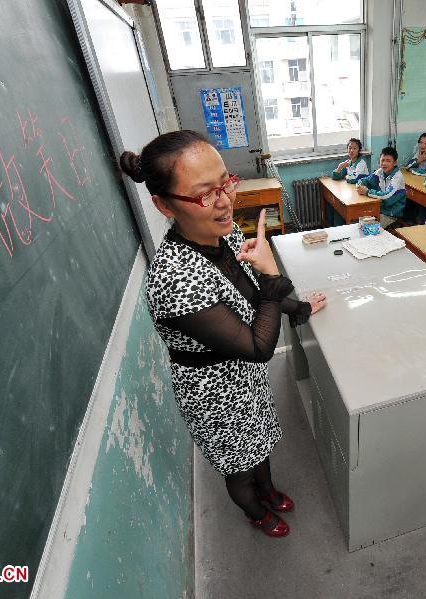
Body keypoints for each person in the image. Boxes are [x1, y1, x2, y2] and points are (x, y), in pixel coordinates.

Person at [120, 130, 327, 538]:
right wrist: (272, 274)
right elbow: (257, 346)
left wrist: (299, 307)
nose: (224, 202)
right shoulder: (174, 279)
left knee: (261, 442)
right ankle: (255, 511)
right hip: (213, 392)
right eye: (204, 195)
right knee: (238, 464)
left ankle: (267, 490)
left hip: (243, 378)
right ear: (162, 205)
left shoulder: (224, 234)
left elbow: (251, 293)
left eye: (225, 184)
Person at [356, 146, 407, 228]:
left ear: (395, 163)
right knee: (359, 220)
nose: (384, 163)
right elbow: (366, 180)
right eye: (382, 160)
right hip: (379, 209)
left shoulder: (397, 177)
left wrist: (367, 192)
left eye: (388, 161)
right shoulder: (380, 172)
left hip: (391, 214)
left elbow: (386, 196)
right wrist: (360, 185)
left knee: (369, 228)